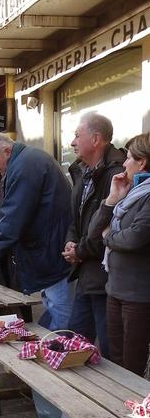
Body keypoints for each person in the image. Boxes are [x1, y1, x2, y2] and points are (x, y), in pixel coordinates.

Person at [0, 133, 73, 330]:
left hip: (51, 247)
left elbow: (15, 214)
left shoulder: (25, 165)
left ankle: (59, 351)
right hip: (49, 245)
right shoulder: (26, 161)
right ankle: (53, 348)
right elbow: (16, 211)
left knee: (58, 305)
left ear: (7, 150)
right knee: (53, 302)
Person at [63, 112, 125, 356]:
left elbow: (108, 228)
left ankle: (115, 394)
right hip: (86, 273)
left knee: (109, 351)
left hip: (104, 276)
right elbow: (76, 218)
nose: (72, 142)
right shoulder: (82, 172)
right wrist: (71, 241)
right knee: (74, 342)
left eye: (78, 135)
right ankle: (74, 394)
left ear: (96, 138)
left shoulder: (115, 174)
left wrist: (79, 250)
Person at [89, 133, 150, 376]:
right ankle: (118, 409)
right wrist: (113, 198)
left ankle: (132, 411)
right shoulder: (130, 194)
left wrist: (108, 237)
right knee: (114, 357)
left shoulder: (147, 197)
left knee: (132, 362)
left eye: (128, 158)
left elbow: (135, 237)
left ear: (142, 162)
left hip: (138, 293)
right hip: (115, 288)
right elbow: (94, 231)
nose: (124, 164)